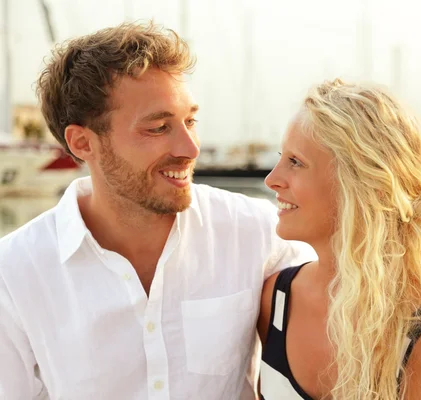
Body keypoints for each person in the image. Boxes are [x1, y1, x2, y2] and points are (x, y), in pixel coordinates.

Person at [0, 22, 315, 399]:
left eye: (190, 121)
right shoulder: (15, 274)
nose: (190, 147)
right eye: (158, 128)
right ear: (83, 142)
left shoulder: (258, 234)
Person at [258, 79, 421, 399]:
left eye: (295, 162)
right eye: (281, 157)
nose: (272, 179)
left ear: (360, 185)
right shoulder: (276, 300)